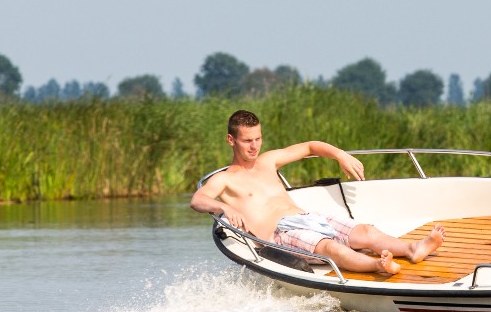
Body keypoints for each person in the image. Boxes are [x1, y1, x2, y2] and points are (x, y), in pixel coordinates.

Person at [190, 110, 445, 277]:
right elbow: (198, 199)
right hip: (281, 234)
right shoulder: (225, 178)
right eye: (247, 141)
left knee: (366, 232)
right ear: (231, 140)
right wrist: (225, 208)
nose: (254, 146)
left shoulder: (268, 161)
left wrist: (339, 155)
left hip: (307, 217)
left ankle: (412, 248)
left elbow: (310, 146)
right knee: (330, 247)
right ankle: (377, 265)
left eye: (258, 138)